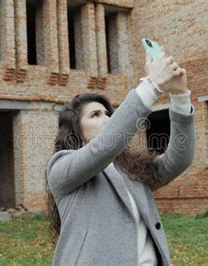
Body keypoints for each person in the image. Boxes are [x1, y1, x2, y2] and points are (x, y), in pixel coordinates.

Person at [44, 49, 196, 266]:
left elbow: (178, 160)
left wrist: (180, 97)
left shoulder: (130, 169)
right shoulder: (61, 167)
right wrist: (151, 85)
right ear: (75, 130)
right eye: (95, 115)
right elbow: (104, 147)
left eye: (108, 114)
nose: (106, 118)